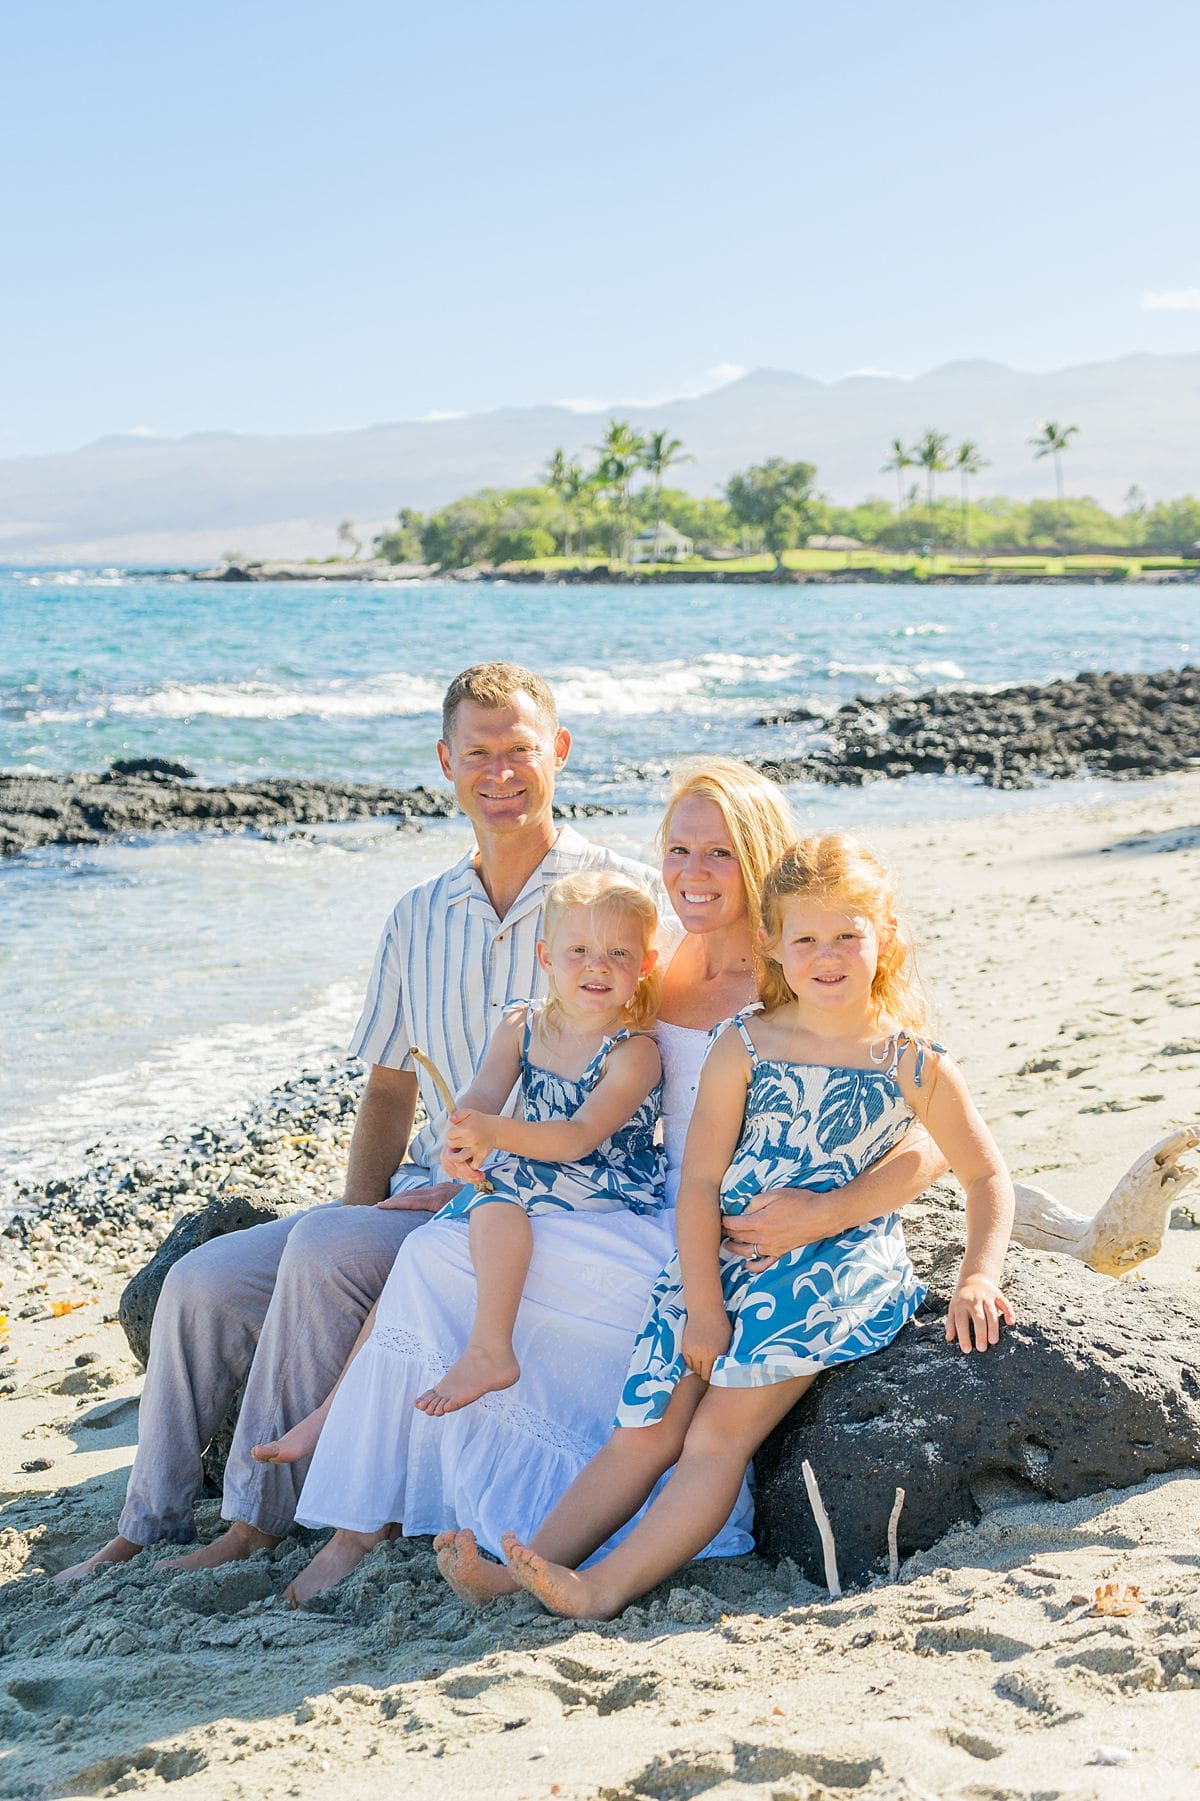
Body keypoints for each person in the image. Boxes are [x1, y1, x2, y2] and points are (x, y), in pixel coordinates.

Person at [53, 661, 656, 1582]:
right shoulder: (417, 914)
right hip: (423, 1193)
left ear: (560, 753)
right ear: (445, 761)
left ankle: (254, 1523)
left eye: (521, 751)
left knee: (325, 1252)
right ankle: (146, 1521)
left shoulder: (616, 901)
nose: (501, 773)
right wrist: (362, 1211)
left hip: (537, 1205)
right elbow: (387, 1090)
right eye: (478, 753)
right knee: (202, 1283)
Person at [287, 768, 949, 1606]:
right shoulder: (661, 961)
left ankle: (461, 1524)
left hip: (720, 1221)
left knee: (441, 1260)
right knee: (441, 1247)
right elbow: (577, 1069)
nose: (692, 872)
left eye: (718, 852)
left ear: (758, 858)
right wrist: (491, 1159)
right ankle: (366, 1524)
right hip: (645, 1197)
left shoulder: (802, 966)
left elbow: (928, 1135)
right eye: (678, 850)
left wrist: (831, 1209)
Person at [499, 832, 1016, 1620]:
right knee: (641, 1430)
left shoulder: (912, 1062)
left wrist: (978, 1275)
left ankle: (605, 1588)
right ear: (772, 943)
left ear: (885, 939)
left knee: (714, 1438)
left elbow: (985, 1173)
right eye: (806, 936)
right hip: (722, 1259)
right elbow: (701, 1179)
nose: (828, 954)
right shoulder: (745, 1042)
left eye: (848, 933)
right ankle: (522, 1571)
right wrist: (702, 1303)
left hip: (827, 1270)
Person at [253, 869, 665, 1456]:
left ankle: (491, 1350)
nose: (596, 966)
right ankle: (333, 1409)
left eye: (617, 953)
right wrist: (463, 1131)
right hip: (541, 1166)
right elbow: (480, 1095)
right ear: (546, 956)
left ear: (645, 965)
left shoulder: (634, 1051)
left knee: (495, 1202)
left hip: (606, 1179)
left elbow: (578, 1138)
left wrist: (498, 1137)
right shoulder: (523, 1024)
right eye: (579, 951)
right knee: (428, 1244)